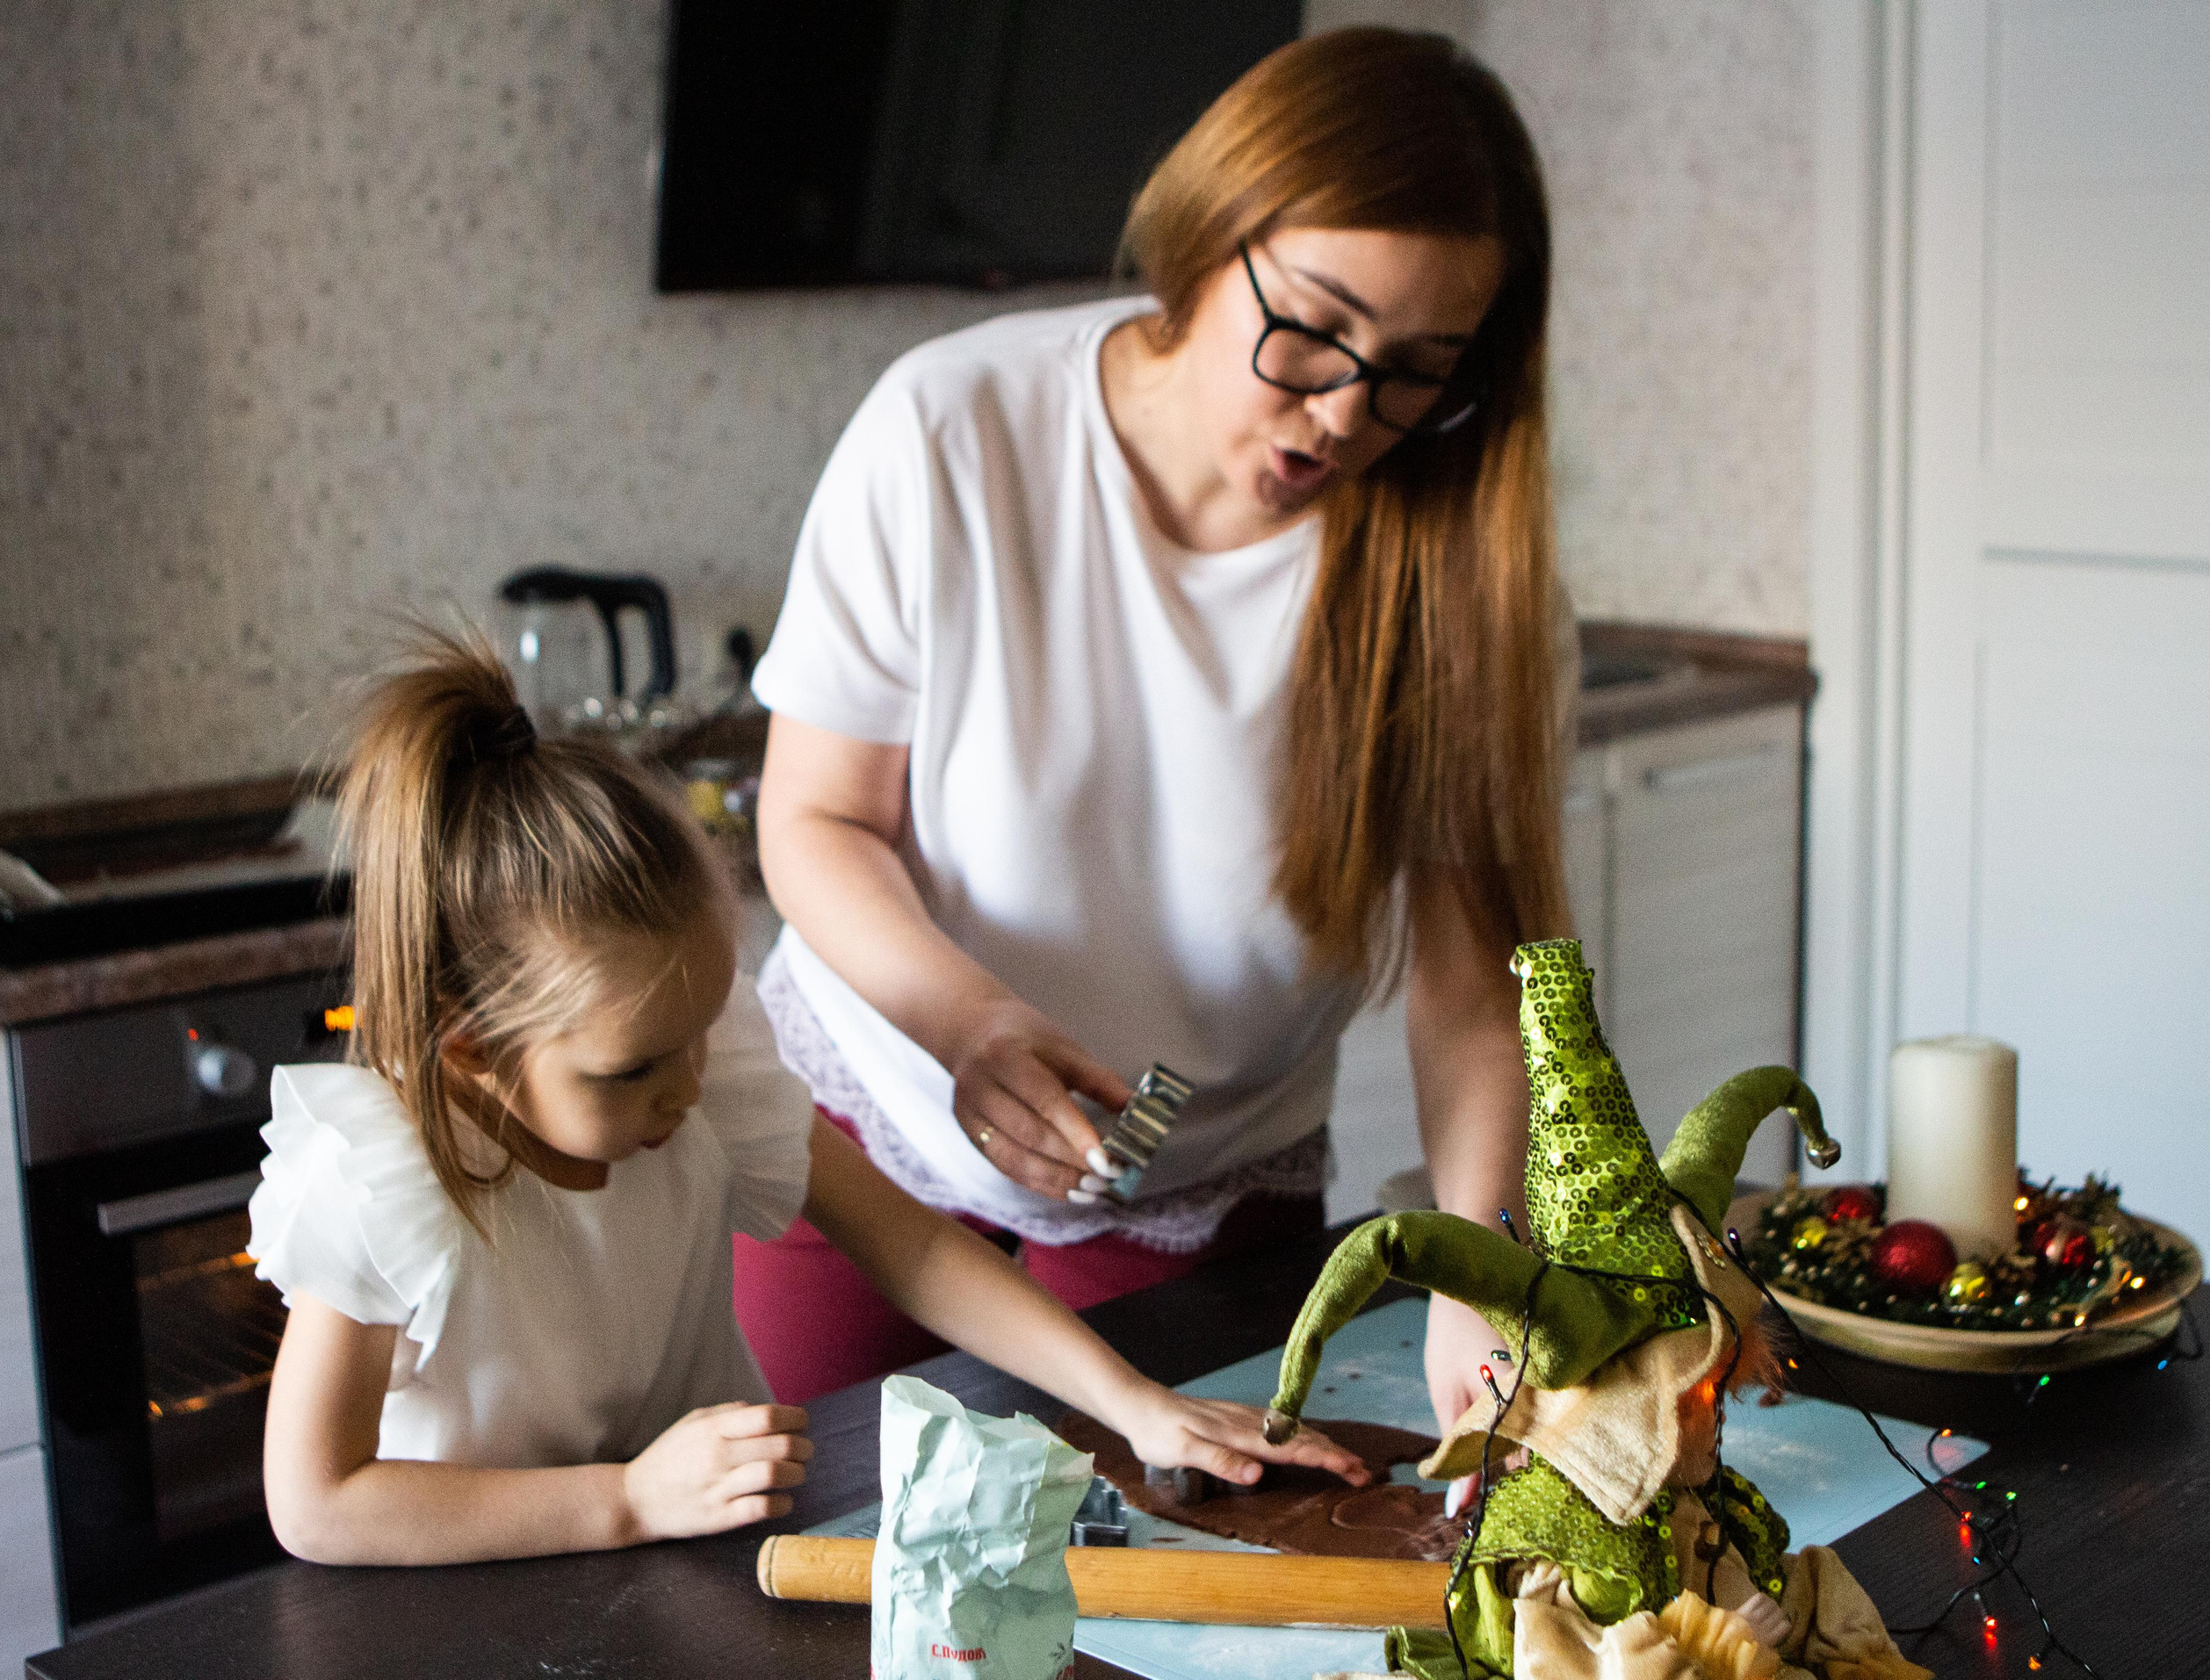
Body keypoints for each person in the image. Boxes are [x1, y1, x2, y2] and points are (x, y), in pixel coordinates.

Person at [746, 22, 1578, 1453]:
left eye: (1416, 372)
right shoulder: (953, 428)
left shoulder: (1455, 567)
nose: (1343, 413)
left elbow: (1466, 985)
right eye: (1314, 328)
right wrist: (970, 1020)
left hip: (1196, 1190)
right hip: (865, 1144)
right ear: (1214, 229)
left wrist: (1473, 1262)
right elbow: (815, 817)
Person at [248, 630, 1362, 1567]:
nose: (687, 1084)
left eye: (698, 1033)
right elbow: (319, 1499)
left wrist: (1132, 1400)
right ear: (470, 1052)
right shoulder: (381, 1177)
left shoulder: (691, 1083)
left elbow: (912, 1247)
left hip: (690, 1570)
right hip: (474, 1612)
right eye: (631, 1067)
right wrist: (627, 1498)